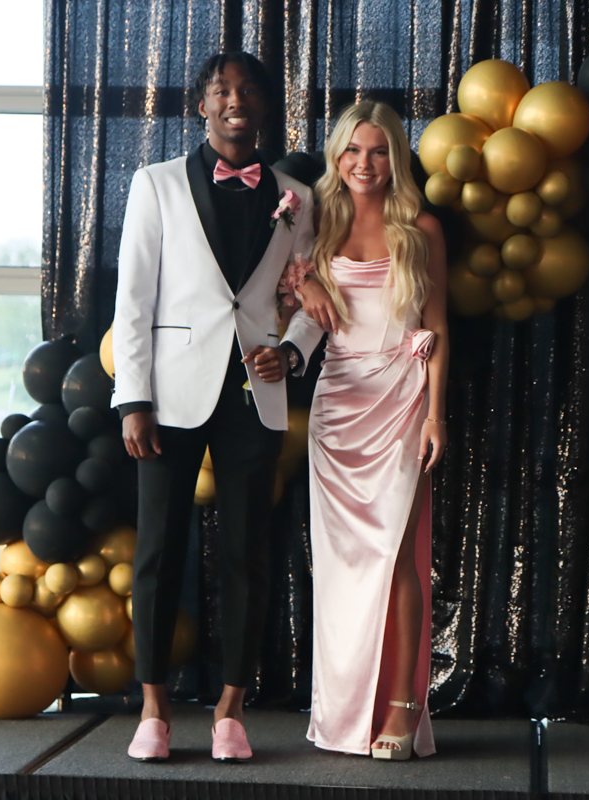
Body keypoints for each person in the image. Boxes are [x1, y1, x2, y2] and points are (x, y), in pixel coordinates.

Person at [111, 50, 314, 763]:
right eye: (222, 89)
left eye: (248, 89)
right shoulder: (156, 183)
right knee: (158, 552)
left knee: (247, 555)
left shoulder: (297, 197)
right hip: (169, 395)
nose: (235, 100)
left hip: (254, 396)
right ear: (202, 103)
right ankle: (154, 709)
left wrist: (292, 352)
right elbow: (133, 298)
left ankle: (232, 709)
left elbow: (313, 296)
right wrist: (133, 399)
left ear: (264, 105)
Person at [280, 101, 449, 760]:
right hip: (337, 407)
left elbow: (438, 328)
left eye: (378, 151)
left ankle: (402, 709)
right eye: (352, 150)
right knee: (341, 568)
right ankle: (343, 713)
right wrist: (304, 285)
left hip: (402, 400)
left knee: (396, 558)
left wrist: (436, 414)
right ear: (337, 156)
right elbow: (274, 285)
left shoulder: (422, 228)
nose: (364, 163)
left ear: (395, 158)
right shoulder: (315, 222)